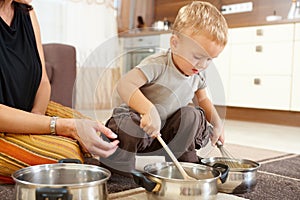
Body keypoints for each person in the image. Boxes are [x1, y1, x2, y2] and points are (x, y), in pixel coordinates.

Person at [101, 1, 228, 176]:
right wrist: (148, 110)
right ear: (175, 43)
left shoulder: (198, 72)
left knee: (192, 114)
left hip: (166, 137)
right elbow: (125, 85)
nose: (203, 65)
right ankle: (119, 164)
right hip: (138, 133)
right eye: (198, 56)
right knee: (126, 122)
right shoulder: (158, 64)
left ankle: (184, 159)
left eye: (209, 59)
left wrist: (217, 122)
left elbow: (203, 100)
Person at [0, 0, 119, 184]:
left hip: (27, 111)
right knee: (67, 156)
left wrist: (36, 122)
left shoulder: (27, 12)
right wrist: (61, 127)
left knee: (98, 133)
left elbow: (43, 80)